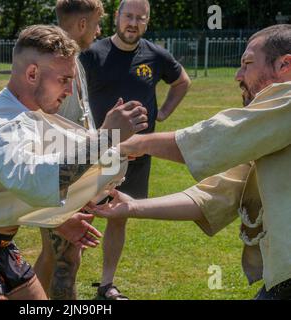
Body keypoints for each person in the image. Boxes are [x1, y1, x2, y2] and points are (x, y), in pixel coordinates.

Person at [0, 24, 146, 300]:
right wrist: (104, 138)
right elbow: (32, 181)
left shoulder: (28, 115)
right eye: (64, 80)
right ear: (32, 73)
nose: (68, 90)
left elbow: (12, 186)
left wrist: (58, 220)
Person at [88, 24, 291, 300]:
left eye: (247, 64)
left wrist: (132, 143)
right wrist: (131, 206)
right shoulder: (268, 134)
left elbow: (219, 138)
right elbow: (216, 193)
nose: (237, 75)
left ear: (285, 65)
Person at [34, 0, 148, 300]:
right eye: (97, 23)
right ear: (82, 25)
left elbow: (74, 126)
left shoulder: (71, 61)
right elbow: (52, 133)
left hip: (69, 172)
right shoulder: (57, 66)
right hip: (62, 175)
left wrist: (113, 145)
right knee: (65, 260)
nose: (99, 31)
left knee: (55, 256)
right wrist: (106, 143)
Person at [80, 0, 191, 299]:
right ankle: (64, 286)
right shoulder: (92, 55)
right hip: (95, 152)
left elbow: (182, 82)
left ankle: (106, 285)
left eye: (140, 19)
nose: (133, 23)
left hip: (136, 158)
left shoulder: (155, 55)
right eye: (128, 16)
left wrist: (163, 113)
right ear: (117, 17)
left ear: (147, 21)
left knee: (118, 215)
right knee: (76, 214)